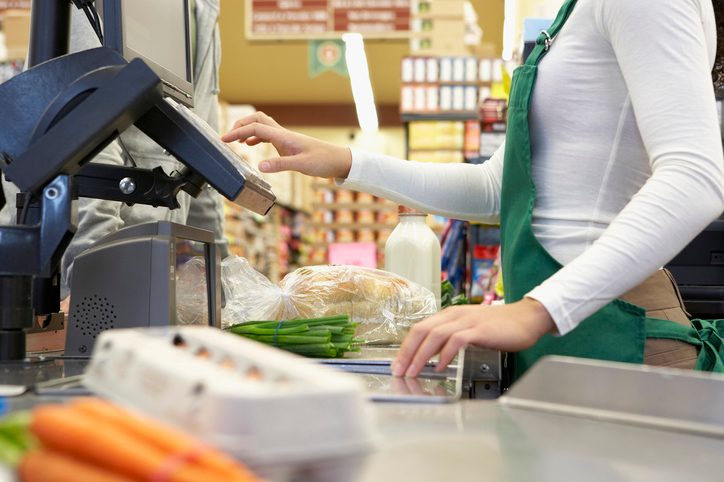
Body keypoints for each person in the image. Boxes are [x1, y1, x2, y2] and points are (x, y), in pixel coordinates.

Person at [222, 0, 724, 380]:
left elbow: (695, 177)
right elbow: (493, 187)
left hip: (614, 331)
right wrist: (346, 161)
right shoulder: (570, 13)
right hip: (567, 329)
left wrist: (536, 310)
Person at [0, 0, 228, 307]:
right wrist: (97, 293)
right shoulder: (100, 9)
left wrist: (220, 287)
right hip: (90, 281)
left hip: (147, 279)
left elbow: (204, 160)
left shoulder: (203, 13)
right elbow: (83, 146)